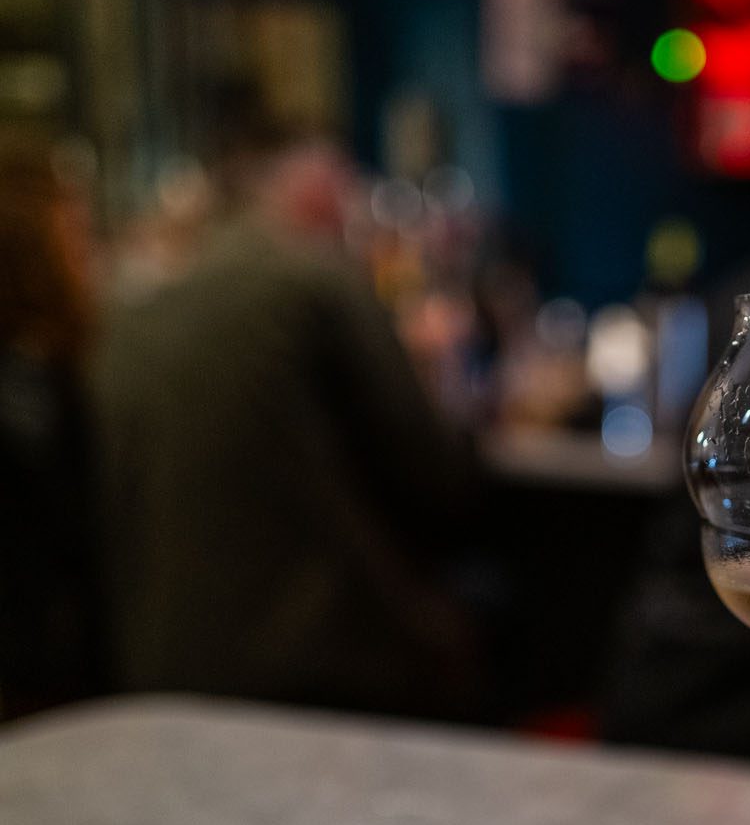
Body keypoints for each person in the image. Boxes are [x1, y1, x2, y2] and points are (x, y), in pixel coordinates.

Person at [91, 142, 484, 723]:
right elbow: (435, 475)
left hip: (154, 671)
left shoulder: (132, 308)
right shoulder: (313, 282)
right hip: (321, 674)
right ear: (316, 197)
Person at [0, 150, 106, 719]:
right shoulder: (31, 386)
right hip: (41, 693)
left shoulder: (39, 372)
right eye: (79, 235)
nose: (94, 256)